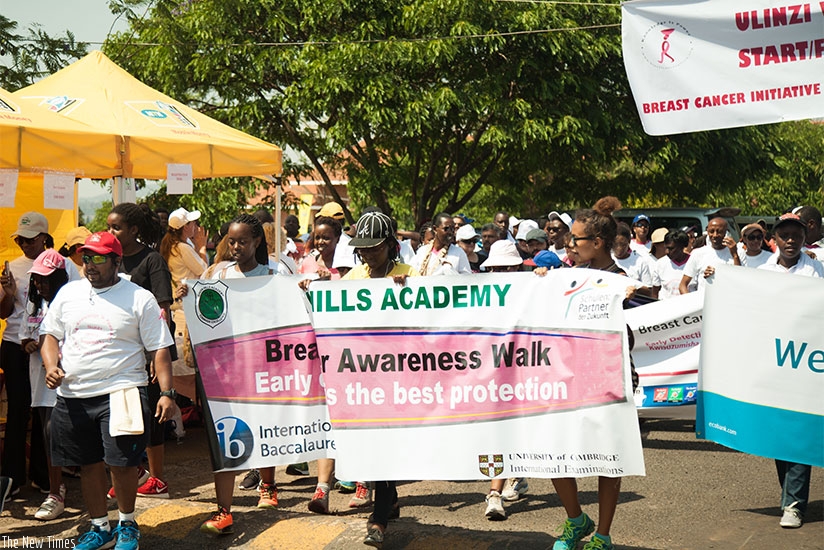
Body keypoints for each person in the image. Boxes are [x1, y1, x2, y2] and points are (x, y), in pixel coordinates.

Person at [40, 231, 175, 550]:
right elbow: (50, 336)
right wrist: (50, 367)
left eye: (98, 258)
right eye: (86, 258)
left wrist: (167, 393)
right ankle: (100, 527)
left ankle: (127, 524)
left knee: (122, 463)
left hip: (123, 392)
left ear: (117, 261)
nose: (90, 265)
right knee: (87, 463)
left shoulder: (139, 297)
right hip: (73, 395)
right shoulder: (68, 294)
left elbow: (160, 347)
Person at [175, 214, 280, 536]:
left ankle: (268, 486)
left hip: (260, 365)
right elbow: (203, 309)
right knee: (224, 436)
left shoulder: (274, 274)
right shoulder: (217, 272)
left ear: (258, 242)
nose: (235, 247)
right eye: (231, 241)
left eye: (243, 241)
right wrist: (186, 294)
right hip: (222, 369)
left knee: (263, 427)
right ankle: (224, 510)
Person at [550, 196, 635, 550]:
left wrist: (627, 302)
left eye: (575, 239)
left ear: (596, 243)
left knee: (607, 456)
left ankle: (602, 534)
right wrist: (541, 281)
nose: (569, 245)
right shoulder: (567, 277)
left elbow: (630, 333)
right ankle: (575, 519)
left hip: (609, 377)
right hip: (569, 375)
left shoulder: (620, 281)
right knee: (553, 451)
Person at [342, 211, 419, 548]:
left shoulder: (411, 275)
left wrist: (409, 294)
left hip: (399, 376)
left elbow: (428, 321)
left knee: (385, 447)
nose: (367, 255)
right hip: (363, 377)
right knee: (372, 446)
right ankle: (390, 501)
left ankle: (379, 519)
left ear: (391, 245)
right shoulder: (353, 278)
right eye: (362, 249)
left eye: (373, 248)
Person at [758, 213, 822, 529]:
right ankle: (790, 496)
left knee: (800, 430)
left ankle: (795, 504)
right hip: (774, 362)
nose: (791, 241)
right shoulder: (762, 272)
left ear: (804, 237)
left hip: (805, 362)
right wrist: (718, 277)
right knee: (779, 433)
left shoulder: (815, 271)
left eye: (796, 235)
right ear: (775, 239)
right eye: (785, 235)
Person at [107, 202, 175, 500]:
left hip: (149, 352)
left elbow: (163, 309)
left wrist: (155, 354)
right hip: (119, 352)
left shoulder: (152, 261)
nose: (111, 232)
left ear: (133, 230)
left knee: (150, 418)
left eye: (116, 227)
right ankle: (131, 474)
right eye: (108, 226)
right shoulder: (111, 260)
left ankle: (157, 479)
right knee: (122, 416)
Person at [0, 212, 67, 498]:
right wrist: (8, 293)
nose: (25, 245)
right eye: (20, 240)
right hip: (16, 345)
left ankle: (44, 476)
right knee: (18, 410)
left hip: (47, 348)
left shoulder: (59, 264)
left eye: (29, 240)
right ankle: (12, 478)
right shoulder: (12, 268)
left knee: (45, 412)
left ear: (44, 238)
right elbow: (4, 313)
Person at [21, 249, 71, 520]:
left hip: (72, 384)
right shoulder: (35, 306)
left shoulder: (72, 303)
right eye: (37, 280)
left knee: (82, 438)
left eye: (46, 279)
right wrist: (32, 344)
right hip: (43, 386)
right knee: (50, 436)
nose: (40, 284)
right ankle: (56, 492)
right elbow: (24, 338)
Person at [679, 217, 740, 294]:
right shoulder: (698, 253)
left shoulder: (736, 252)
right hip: (704, 303)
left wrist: (735, 255)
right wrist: (690, 303)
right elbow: (683, 285)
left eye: (719, 231)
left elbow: (739, 282)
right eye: (711, 231)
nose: (715, 235)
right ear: (707, 232)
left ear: (726, 232)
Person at [612, 223, 654, 295]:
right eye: (616, 244)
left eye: (623, 244)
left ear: (629, 242)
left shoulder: (640, 262)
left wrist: (631, 284)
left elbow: (649, 290)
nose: (619, 248)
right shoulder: (606, 260)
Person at [651, 230, 692, 300]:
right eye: (666, 248)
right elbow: (655, 292)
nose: (666, 252)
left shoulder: (694, 263)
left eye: (671, 249)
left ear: (682, 246)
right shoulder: (660, 264)